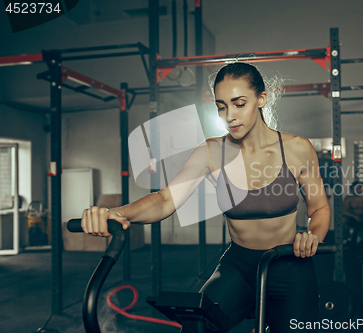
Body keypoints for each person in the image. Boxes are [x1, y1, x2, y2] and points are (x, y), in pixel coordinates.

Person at [81, 62, 331, 332]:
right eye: (222, 107)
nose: (230, 116)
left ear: (262, 99)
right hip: (239, 267)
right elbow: (166, 199)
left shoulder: (297, 149)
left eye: (239, 104)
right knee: (196, 325)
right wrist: (115, 213)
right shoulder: (211, 152)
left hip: (289, 264)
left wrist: (313, 236)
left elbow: (319, 209)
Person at [342, 182, 363, 247]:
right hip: (352, 217)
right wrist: (354, 216)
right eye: (355, 189)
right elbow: (343, 211)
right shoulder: (348, 198)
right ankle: (348, 239)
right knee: (343, 220)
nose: (357, 190)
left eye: (359, 188)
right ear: (352, 190)